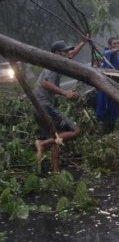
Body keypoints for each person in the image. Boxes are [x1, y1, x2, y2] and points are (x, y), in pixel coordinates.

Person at [33, 37, 88, 173]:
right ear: (57, 53)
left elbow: (71, 54)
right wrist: (65, 93)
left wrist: (84, 42)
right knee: (75, 131)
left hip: (37, 106)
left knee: (55, 137)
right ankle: (42, 144)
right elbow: (45, 83)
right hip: (43, 104)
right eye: (64, 52)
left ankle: (56, 173)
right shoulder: (52, 64)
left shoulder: (57, 61)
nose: (68, 54)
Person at [95, 37, 119, 131]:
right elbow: (108, 54)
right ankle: (103, 127)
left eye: (118, 43)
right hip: (107, 85)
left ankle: (112, 126)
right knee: (105, 107)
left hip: (117, 84)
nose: (117, 45)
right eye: (115, 44)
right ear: (110, 45)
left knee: (116, 107)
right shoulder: (107, 53)